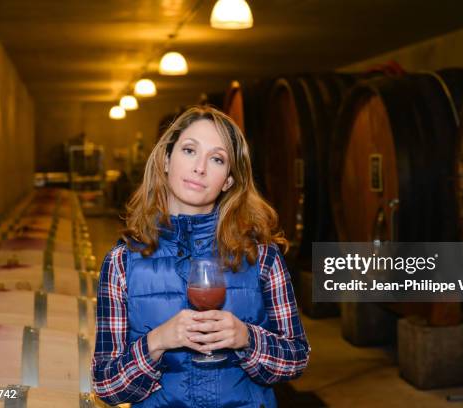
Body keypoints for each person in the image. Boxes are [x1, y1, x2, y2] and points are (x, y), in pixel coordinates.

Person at [91, 106, 310, 407]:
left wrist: (247, 338)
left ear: (229, 180)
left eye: (217, 159)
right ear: (166, 160)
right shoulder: (121, 263)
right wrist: (157, 342)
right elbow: (107, 385)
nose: (200, 168)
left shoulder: (262, 256)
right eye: (190, 151)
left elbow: (296, 360)